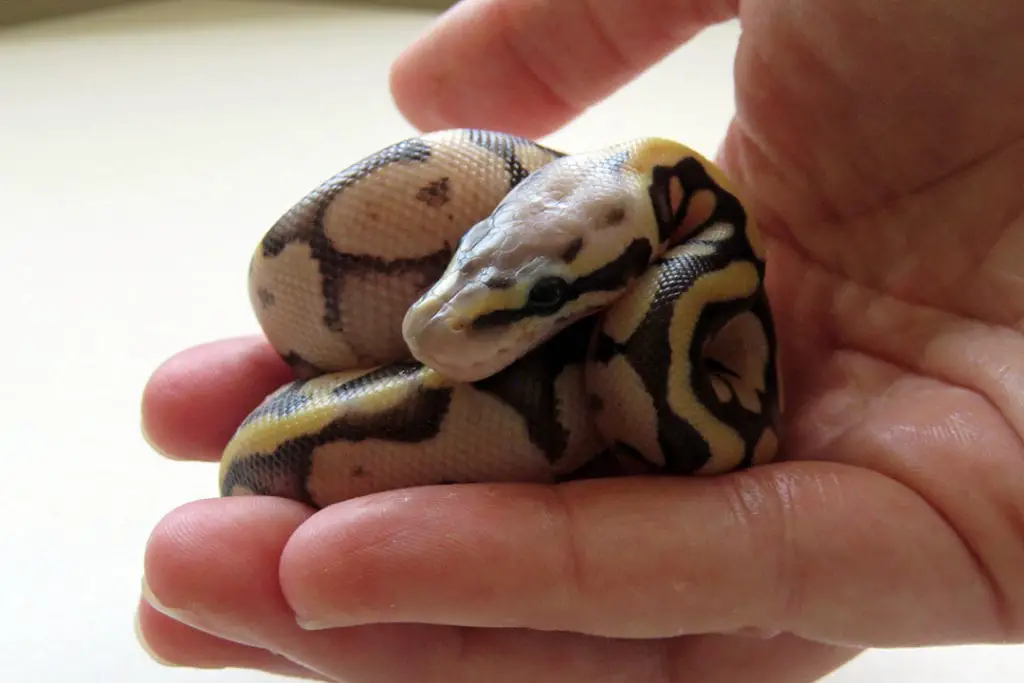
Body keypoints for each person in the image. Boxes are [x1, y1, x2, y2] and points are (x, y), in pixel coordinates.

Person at [135, 1, 1024, 680]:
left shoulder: (669, 284)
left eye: (551, 300)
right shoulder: (634, 221)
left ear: (643, 258)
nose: (433, 327)